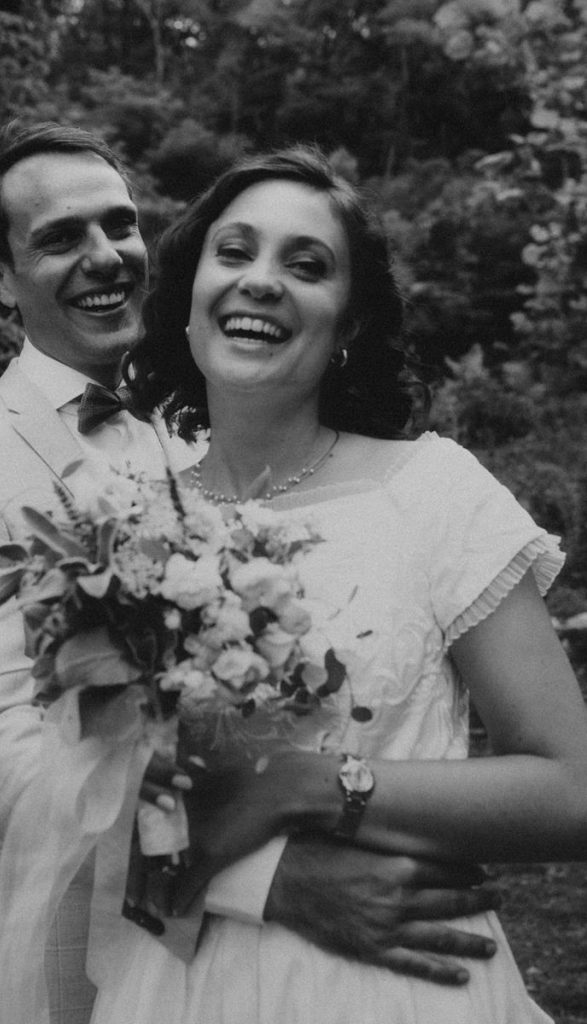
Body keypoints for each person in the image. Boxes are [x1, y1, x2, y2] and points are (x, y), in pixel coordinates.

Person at [0, 124, 498, 1024]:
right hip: (58, 969)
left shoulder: (226, 422)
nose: (104, 258)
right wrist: (263, 876)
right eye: (62, 238)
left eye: (119, 225)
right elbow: (0, 760)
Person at [82, 145, 587, 1024]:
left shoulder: (432, 491)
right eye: (233, 253)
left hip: (396, 990)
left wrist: (308, 784)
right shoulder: (118, 524)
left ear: (348, 324)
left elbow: (573, 791)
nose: (261, 281)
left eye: (305, 265)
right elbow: (74, 804)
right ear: (189, 303)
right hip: (175, 982)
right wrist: (258, 879)